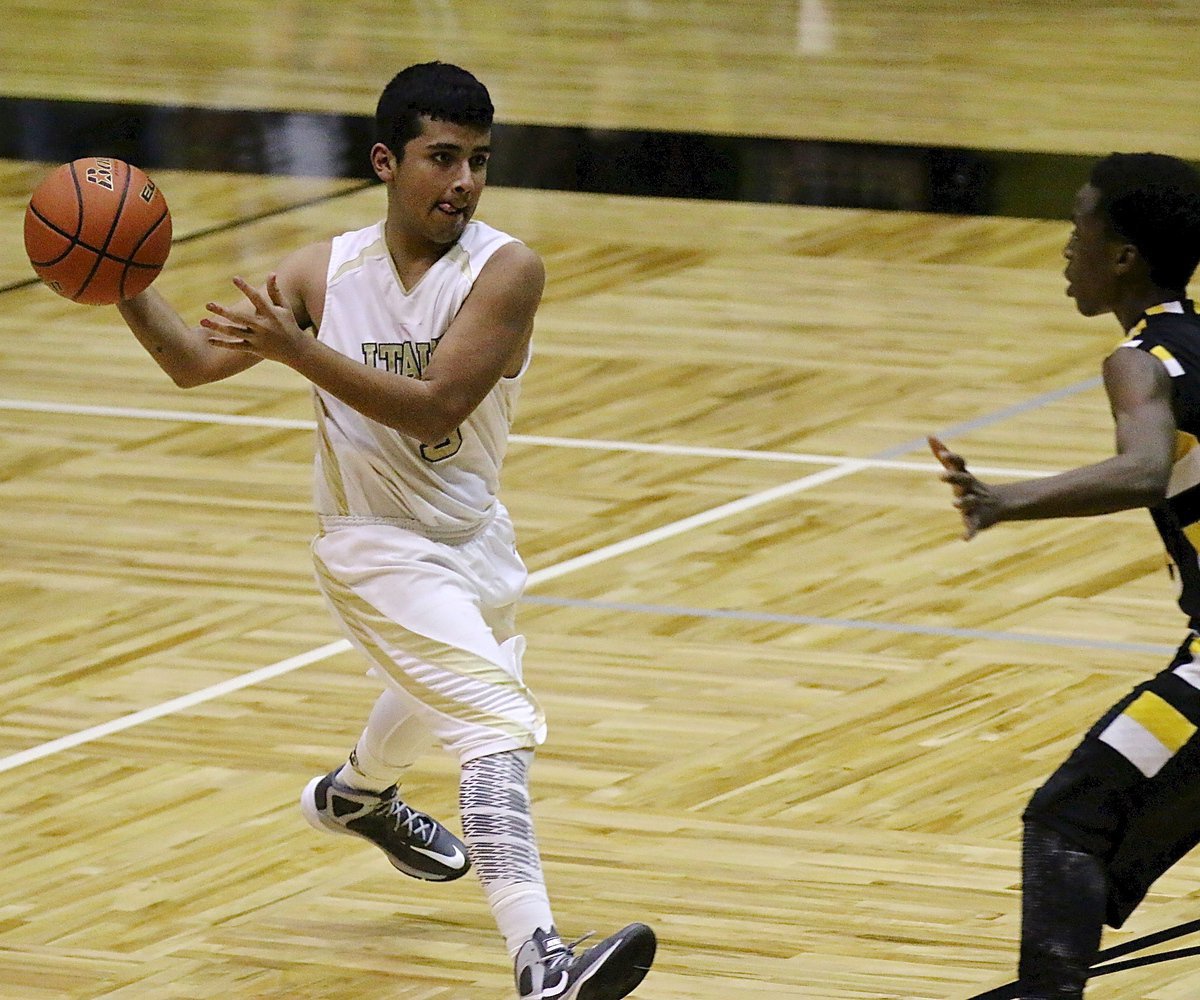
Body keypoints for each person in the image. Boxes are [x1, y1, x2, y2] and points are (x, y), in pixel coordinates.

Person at [115, 61, 655, 1000]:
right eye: (442, 158)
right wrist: (123, 283)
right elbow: (195, 364)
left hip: (473, 536)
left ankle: (356, 795)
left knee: (441, 684)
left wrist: (299, 351)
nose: (463, 183)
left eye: (479, 161)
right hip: (371, 545)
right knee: (492, 725)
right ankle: (543, 965)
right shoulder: (325, 272)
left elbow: (435, 406)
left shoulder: (507, 270)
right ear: (385, 162)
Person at [930, 151, 1200, 999]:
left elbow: (1143, 470)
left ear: (1121, 256)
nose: (1065, 248)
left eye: (1078, 228)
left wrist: (1004, 501)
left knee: (1069, 818)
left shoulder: (1141, 359)